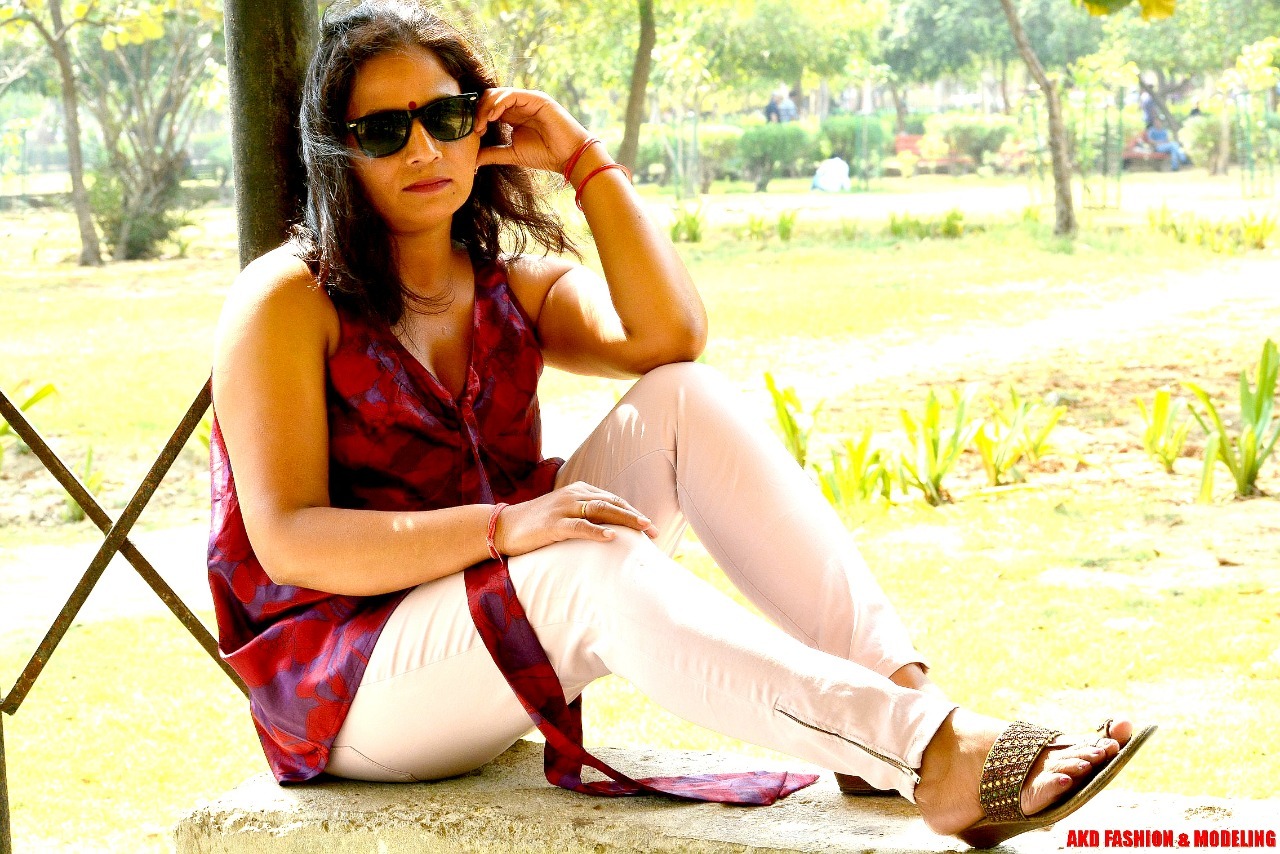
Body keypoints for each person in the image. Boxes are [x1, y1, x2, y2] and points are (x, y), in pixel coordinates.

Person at [208, 1, 1154, 847]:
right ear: (336, 152)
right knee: (582, 559)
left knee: (683, 398)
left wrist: (582, 158)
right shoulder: (288, 299)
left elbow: (668, 336)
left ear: (482, 123)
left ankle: (899, 716)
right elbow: (289, 540)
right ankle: (934, 751)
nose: (423, 151)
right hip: (352, 692)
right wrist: (507, 527)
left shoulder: (507, 285)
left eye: (447, 117)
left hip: (493, 640)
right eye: (383, 131)